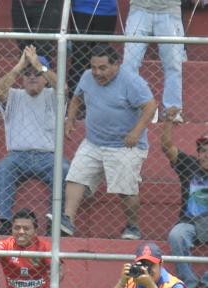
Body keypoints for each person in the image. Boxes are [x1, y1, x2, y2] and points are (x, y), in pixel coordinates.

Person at [62, 45, 157, 240]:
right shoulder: (87, 76)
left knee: (126, 188)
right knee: (76, 177)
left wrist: (136, 132)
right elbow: (77, 98)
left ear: (116, 65)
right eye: (94, 67)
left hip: (125, 144)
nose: (97, 73)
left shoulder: (131, 81)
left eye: (103, 68)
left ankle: (132, 227)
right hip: (93, 141)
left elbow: (150, 106)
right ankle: (67, 221)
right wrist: (70, 120)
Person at [0, 46, 69, 235]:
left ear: (45, 77)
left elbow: (64, 87)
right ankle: (5, 222)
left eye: (37, 73)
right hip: (17, 156)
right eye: (28, 74)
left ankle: (55, 222)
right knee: (2, 168)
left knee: (66, 170)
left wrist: (37, 64)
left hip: (48, 158)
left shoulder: (53, 95)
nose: (32, 77)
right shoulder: (15, 95)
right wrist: (20, 66)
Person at [162, 110, 208, 288]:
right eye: (203, 150)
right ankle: (189, 284)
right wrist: (168, 122)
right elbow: (167, 147)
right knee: (176, 234)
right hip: (189, 223)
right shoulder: (190, 165)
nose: (206, 154)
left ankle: (206, 286)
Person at [123, 0, 186, 122]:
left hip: (170, 9)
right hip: (139, 8)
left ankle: (172, 111)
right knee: (129, 63)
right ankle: (130, 107)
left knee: (173, 65)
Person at [0, 210, 57, 288]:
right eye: (17, 228)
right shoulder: (6, 245)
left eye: (26, 228)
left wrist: (55, 272)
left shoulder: (44, 247)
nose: (21, 232)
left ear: (35, 231)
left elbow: (59, 270)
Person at [68, 0, 118, 96]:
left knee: (102, 58)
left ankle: (98, 98)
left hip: (107, 11)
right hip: (81, 9)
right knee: (79, 58)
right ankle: (74, 100)